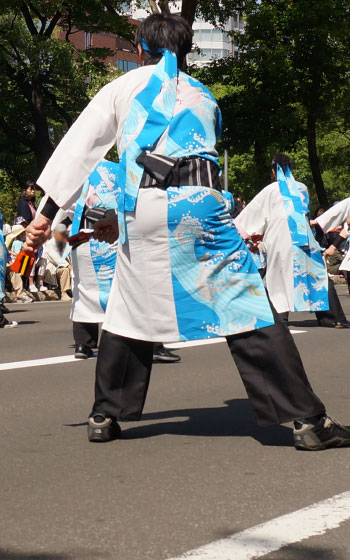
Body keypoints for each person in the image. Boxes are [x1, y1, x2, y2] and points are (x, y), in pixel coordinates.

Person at [25, 14, 350, 450]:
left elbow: (81, 150)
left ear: (141, 48)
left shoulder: (124, 87)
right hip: (199, 205)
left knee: (128, 301)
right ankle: (307, 421)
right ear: (184, 50)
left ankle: (105, 414)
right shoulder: (202, 94)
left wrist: (46, 215)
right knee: (245, 303)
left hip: (142, 207)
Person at [236, 153, 350, 329]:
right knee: (317, 275)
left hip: (281, 239)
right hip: (305, 240)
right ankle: (334, 317)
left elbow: (254, 216)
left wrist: (249, 236)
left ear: (274, 172)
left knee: (277, 277)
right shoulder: (302, 188)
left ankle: (279, 318)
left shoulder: (271, 190)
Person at [43, 224, 72, 301]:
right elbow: (55, 258)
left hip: (61, 266)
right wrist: (68, 265)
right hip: (53, 268)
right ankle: (64, 293)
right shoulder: (50, 243)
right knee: (65, 270)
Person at [5, 225, 33, 304]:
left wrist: (9, 260)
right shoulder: (18, 243)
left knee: (12, 270)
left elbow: (5, 252)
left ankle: (20, 294)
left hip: (4, 263)